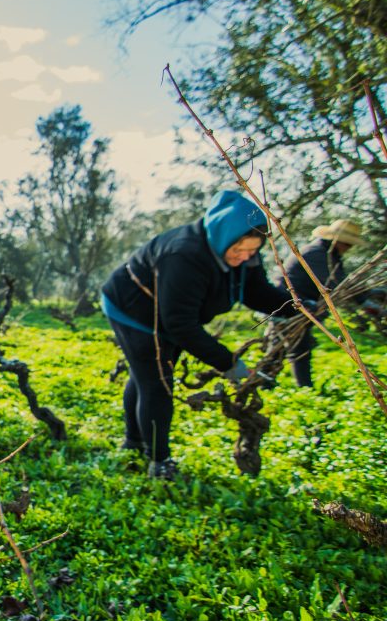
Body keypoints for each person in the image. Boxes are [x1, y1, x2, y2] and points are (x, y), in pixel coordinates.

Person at [100, 190, 294, 480]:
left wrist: (296, 309)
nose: (244, 258)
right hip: (133, 309)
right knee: (156, 382)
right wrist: (228, 362)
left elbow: (256, 292)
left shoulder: (246, 254)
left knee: (147, 375)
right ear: (223, 235)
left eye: (251, 252)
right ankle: (159, 461)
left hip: (168, 314)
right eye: (238, 251)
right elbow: (179, 324)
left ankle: (134, 440)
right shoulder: (183, 255)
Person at [271, 219, 381, 387]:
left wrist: (369, 295)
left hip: (300, 306)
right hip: (291, 306)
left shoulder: (328, 254)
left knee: (286, 349)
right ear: (338, 241)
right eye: (348, 244)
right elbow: (336, 284)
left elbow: (342, 282)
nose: (349, 248)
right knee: (291, 349)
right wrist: (366, 302)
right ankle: (299, 388)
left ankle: (279, 385)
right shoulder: (318, 254)